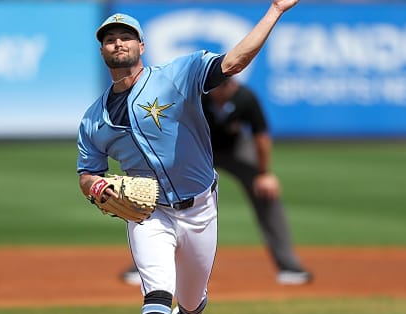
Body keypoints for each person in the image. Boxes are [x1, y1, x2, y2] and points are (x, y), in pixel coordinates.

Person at [77, 2, 299, 314]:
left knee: (192, 307)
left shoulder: (178, 75)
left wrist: (275, 11)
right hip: (148, 214)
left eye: (126, 36)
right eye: (110, 38)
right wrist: (96, 186)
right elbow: (87, 172)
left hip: (200, 210)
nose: (118, 42)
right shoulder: (93, 120)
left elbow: (235, 62)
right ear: (102, 50)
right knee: (157, 296)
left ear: (141, 46)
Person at [121, 78, 312, 286]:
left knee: (267, 192)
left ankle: (289, 266)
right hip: (196, 150)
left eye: (228, 84)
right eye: (219, 85)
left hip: (234, 149)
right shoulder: (196, 98)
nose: (224, 89)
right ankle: (145, 265)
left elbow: (261, 136)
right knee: (167, 196)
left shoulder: (245, 98)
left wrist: (264, 173)